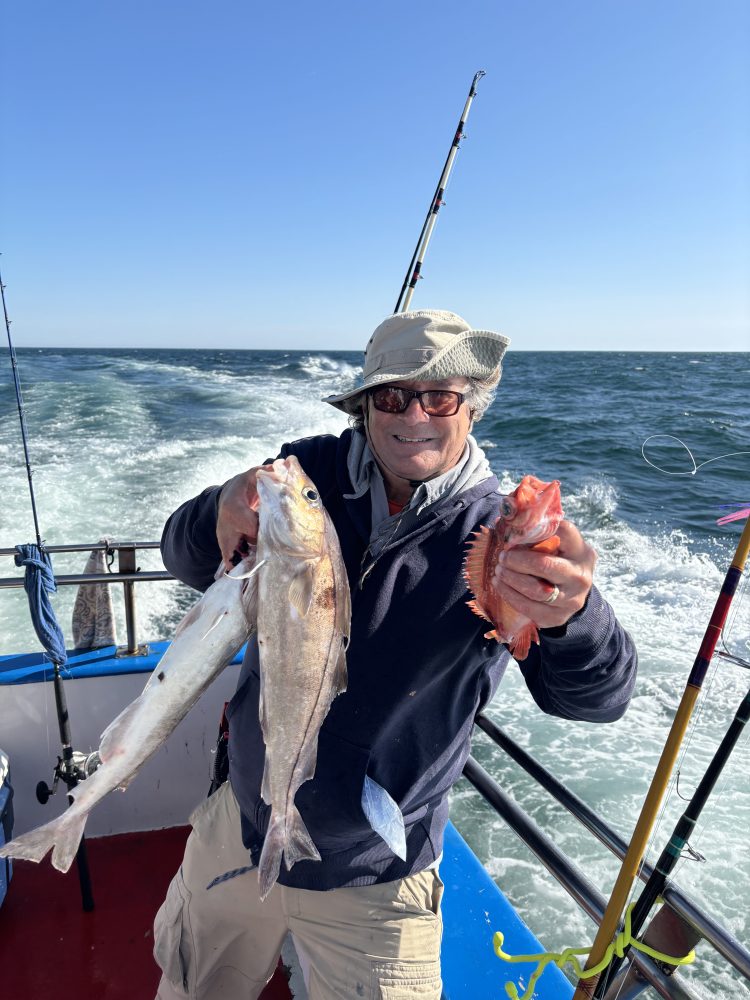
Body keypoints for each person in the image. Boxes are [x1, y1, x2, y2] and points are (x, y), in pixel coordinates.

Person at [153, 309, 637, 1000]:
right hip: (243, 822)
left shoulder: (503, 536)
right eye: (392, 396)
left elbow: (596, 699)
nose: (415, 414)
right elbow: (186, 555)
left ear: (470, 408)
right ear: (364, 407)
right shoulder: (300, 474)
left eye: (439, 397)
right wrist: (219, 507)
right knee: (189, 985)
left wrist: (573, 618)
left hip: (378, 877)